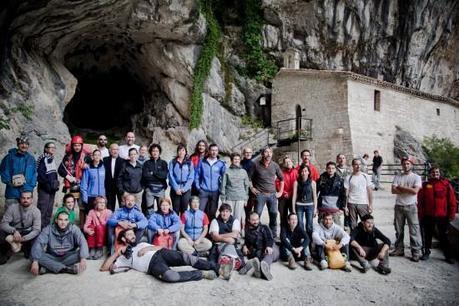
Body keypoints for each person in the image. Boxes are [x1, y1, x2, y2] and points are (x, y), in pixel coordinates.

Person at [100, 228, 218, 282]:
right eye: (130, 235)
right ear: (123, 239)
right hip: (151, 265)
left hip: (160, 253)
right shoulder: (122, 257)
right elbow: (104, 268)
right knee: (171, 277)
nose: (133, 236)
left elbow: (160, 247)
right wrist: (116, 253)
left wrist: (148, 248)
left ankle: (217, 267)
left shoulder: (142, 243)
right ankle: (202, 274)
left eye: (133, 234)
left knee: (187, 258)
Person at [418, 166, 457, 263]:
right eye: (433, 172)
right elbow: (420, 201)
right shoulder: (425, 185)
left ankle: (448, 255)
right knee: (427, 235)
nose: (435, 174)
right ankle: (426, 252)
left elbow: (452, 200)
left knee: (443, 236)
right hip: (428, 215)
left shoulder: (446, 184)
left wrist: (451, 215)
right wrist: (421, 214)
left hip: (442, 215)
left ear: (440, 173)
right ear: (430, 174)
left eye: (437, 172)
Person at [30, 210, 88, 275]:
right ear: (56, 220)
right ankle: (66, 269)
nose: (63, 222)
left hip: (68, 256)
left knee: (81, 253)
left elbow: (82, 242)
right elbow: (39, 243)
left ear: (68, 221)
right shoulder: (48, 229)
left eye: (65, 220)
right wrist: (35, 261)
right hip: (52, 256)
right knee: (35, 255)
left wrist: (83, 258)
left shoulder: (74, 228)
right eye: (60, 219)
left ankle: (49, 269)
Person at [390, 156, 423, 261]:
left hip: (411, 205)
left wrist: (401, 187)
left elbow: (415, 191)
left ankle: (416, 252)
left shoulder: (416, 177)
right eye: (404, 163)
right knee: (398, 229)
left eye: (408, 163)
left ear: (411, 165)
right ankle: (399, 249)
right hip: (399, 205)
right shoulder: (398, 176)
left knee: (414, 229)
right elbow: (393, 190)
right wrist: (409, 189)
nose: (406, 165)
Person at [249, 147, 284, 238]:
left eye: (270, 152)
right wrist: (252, 188)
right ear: (262, 154)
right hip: (260, 194)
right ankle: (256, 234)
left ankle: (273, 236)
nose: (268, 154)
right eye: (266, 152)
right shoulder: (255, 164)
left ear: (272, 154)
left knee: (273, 216)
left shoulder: (275, 165)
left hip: (272, 195)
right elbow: (249, 179)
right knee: (257, 215)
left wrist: (280, 191)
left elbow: (282, 179)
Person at [0, 191, 41, 264]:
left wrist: (24, 238)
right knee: (1, 232)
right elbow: (3, 224)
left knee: (37, 239)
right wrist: (13, 231)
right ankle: (6, 251)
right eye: (23, 198)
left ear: (31, 199)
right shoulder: (12, 208)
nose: (25, 200)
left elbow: (37, 230)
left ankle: (22, 247)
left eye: (28, 198)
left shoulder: (36, 211)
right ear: (20, 199)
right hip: (13, 232)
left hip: (26, 234)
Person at [239, 212, 279, 281]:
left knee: (268, 254)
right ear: (249, 220)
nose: (256, 222)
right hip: (259, 252)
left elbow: (270, 238)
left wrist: (268, 246)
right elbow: (247, 242)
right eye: (253, 220)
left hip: (271, 249)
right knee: (244, 251)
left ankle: (265, 268)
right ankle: (252, 267)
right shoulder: (248, 230)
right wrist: (245, 246)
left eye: (257, 219)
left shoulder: (264, 227)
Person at [0, 136, 37, 208]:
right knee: (10, 216)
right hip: (12, 193)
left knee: (25, 217)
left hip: (27, 193)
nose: (24, 145)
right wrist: (11, 183)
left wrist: (31, 187)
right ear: (18, 145)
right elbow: (4, 171)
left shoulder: (31, 158)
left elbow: (34, 174)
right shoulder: (9, 157)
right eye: (21, 143)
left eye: (26, 144)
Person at [209, 203, 243, 280]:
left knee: (241, 260)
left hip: (231, 244)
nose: (225, 213)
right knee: (212, 261)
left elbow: (235, 234)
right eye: (223, 211)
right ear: (220, 212)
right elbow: (214, 237)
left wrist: (219, 236)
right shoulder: (215, 221)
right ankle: (224, 270)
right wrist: (226, 239)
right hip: (218, 244)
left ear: (230, 212)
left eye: (227, 211)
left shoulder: (235, 220)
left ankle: (233, 265)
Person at [195, 144, 226, 220]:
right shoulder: (202, 162)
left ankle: (210, 230)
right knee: (200, 211)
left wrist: (221, 189)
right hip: (203, 191)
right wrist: (198, 188)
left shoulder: (221, 164)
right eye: (212, 150)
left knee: (212, 212)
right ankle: (200, 230)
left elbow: (225, 177)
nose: (214, 152)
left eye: (215, 150)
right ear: (208, 151)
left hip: (215, 192)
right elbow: (197, 176)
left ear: (218, 151)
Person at [220, 152, 250, 229]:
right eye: (235, 159)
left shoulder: (243, 172)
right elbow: (223, 185)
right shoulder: (227, 171)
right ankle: (229, 232)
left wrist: (246, 198)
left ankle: (237, 234)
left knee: (238, 218)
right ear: (231, 160)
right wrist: (223, 198)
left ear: (240, 160)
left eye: (238, 159)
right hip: (229, 197)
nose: (236, 161)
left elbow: (246, 186)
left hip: (240, 198)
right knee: (229, 217)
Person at [344, 158, 374, 230]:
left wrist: (370, 204)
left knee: (367, 223)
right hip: (352, 203)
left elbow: (369, 191)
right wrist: (345, 206)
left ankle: (368, 240)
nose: (358, 166)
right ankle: (355, 240)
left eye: (359, 164)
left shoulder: (365, 176)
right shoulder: (348, 178)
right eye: (356, 164)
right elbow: (346, 193)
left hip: (363, 203)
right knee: (353, 225)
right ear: (353, 166)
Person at [36, 142, 60, 228]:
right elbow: (41, 174)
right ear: (46, 149)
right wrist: (47, 185)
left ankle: (46, 229)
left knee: (49, 210)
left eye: (54, 147)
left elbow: (53, 173)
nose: (53, 149)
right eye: (51, 147)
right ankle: (39, 230)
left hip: (51, 189)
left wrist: (56, 184)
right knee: (43, 209)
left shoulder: (51, 159)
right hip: (45, 189)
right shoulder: (43, 158)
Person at [141, 144, 168, 217]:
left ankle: (160, 224)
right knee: (149, 210)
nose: (155, 153)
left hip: (161, 189)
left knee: (162, 208)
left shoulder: (163, 163)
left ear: (159, 152)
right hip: (149, 189)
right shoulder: (147, 163)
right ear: (150, 152)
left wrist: (153, 173)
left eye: (157, 151)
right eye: (153, 151)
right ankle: (151, 225)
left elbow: (164, 176)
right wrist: (157, 175)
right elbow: (146, 176)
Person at [317, 161, 346, 227]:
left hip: (335, 208)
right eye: (329, 168)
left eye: (333, 168)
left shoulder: (340, 180)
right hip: (322, 208)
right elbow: (315, 192)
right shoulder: (321, 179)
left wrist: (342, 208)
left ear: (335, 169)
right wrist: (316, 207)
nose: (331, 170)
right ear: (326, 169)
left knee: (337, 227)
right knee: (321, 227)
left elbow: (343, 195)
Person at [292, 164, 317, 238]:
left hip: (310, 205)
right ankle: (301, 240)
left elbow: (315, 197)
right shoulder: (296, 182)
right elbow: (294, 196)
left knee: (309, 225)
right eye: (302, 171)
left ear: (308, 172)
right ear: (300, 172)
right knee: (300, 224)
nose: (304, 172)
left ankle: (309, 240)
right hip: (299, 205)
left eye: (305, 171)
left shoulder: (312, 183)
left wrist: (315, 209)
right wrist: (293, 209)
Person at [168, 144, 194, 215]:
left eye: (183, 150)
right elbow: (170, 176)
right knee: (175, 209)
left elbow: (191, 177)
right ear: (177, 152)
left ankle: (183, 225)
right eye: (179, 150)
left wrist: (184, 189)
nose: (181, 152)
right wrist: (176, 188)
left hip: (185, 190)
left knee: (184, 210)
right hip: (175, 189)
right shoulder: (173, 162)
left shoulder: (189, 163)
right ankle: (176, 225)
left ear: (185, 152)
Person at [80, 149, 106, 219]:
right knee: (90, 216)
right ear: (92, 156)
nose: (97, 156)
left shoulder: (103, 167)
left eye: (98, 155)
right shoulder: (88, 168)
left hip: (101, 196)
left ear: (100, 156)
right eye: (95, 155)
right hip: (91, 196)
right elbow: (84, 184)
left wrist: (104, 195)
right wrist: (85, 198)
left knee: (100, 216)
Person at [276, 156, 298, 228]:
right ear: (284, 164)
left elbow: (298, 184)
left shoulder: (296, 172)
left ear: (292, 162)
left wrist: (290, 193)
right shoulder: (281, 173)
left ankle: (294, 233)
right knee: (283, 216)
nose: (288, 163)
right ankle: (283, 234)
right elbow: (277, 183)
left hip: (293, 197)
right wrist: (284, 192)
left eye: (289, 161)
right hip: (283, 197)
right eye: (286, 162)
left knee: (294, 216)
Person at [103, 143, 124, 211]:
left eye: (117, 149)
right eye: (113, 149)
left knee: (122, 204)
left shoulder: (123, 161)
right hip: (109, 186)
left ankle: (122, 219)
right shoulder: (105, 160)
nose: (115, 151)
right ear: (110, 150)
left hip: (119, 186)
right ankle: (110, 219)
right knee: (110, 205)